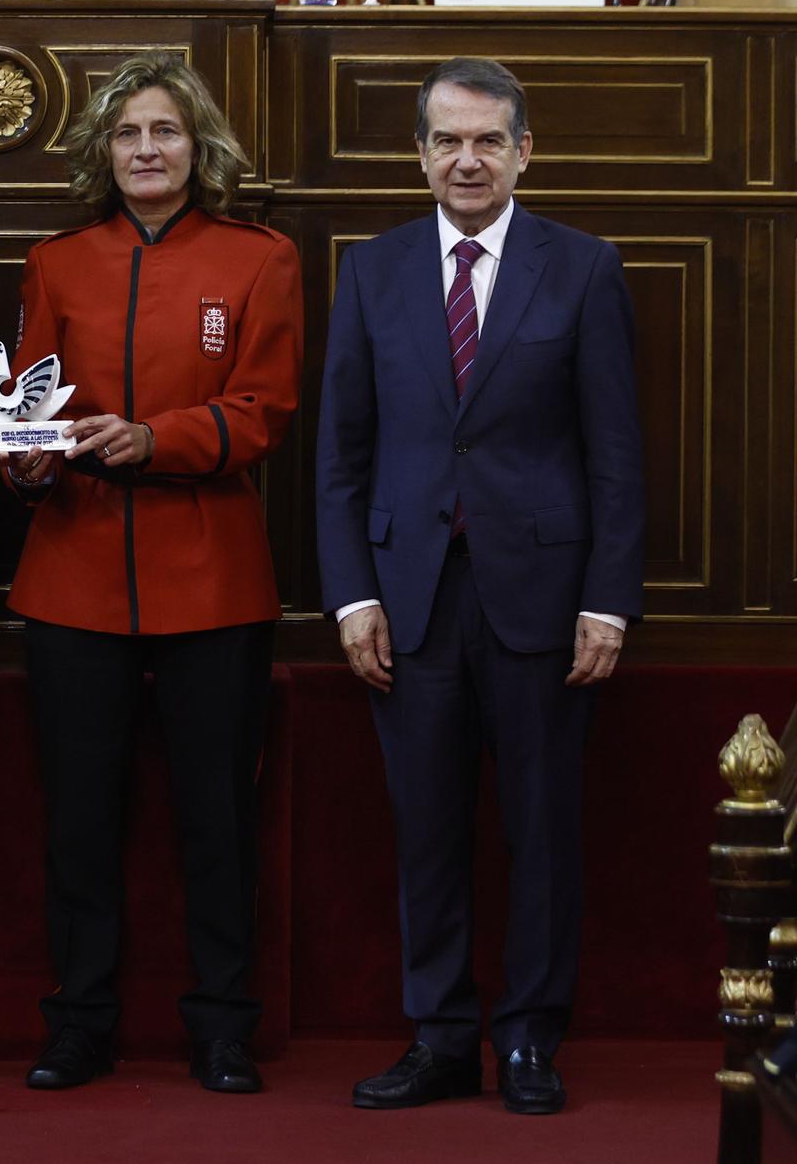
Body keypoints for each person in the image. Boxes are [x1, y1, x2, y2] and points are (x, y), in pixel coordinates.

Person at [316, 57, 643, 1115]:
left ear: (521, 151)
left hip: (542, 600)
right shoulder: (369, 270)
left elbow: (614, 454)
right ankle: (440, 1035)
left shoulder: (582, 267)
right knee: (426, 827)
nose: (466, 159)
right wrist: (350, 595)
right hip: (406, 600)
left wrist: (606, 597)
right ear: (418, 153)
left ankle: (530, 1040)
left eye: (486, 140)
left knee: (541, 829)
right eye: (446, 141)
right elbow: (340, 455)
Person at [0, 53, 302, 1094]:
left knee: (217, 816)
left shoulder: (258, 260)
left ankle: (220, 1025)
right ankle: (77, 1021)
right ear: (102, 151)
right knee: (77, 818)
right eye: (126, 134)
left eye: (163, 131)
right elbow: (28, 405)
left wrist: (155, 437)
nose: (144, 150)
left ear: (197, 145)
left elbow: (263, 407)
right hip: (72, 573)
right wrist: (27, 460)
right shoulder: (55, 259)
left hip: (210, 575)